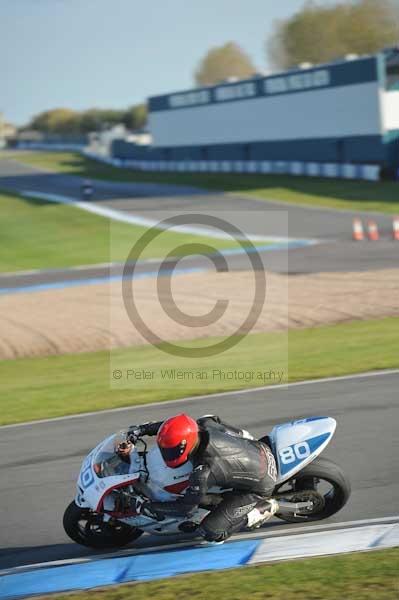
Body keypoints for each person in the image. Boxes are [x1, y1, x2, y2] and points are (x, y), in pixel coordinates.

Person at [119, 413, 278, 543]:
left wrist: (145, 507)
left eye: (171, 450)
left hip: (260, 484)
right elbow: (168, 427)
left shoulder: (203, 472)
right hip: (257, 447)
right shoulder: (200, 427)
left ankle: (262, 509)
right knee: (209, 418)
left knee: (211, 531)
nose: (166, 454)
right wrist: (141, 430)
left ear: (184, 446)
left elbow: (185, 509)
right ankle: (245, 439)